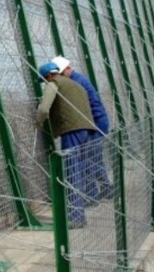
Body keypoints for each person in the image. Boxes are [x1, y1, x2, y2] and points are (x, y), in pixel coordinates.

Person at [36, 62, 95, 229]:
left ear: (47, 76)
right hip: (86, 130)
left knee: (72, 172)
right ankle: (79, 212)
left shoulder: (53, 83)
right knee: (81, 170)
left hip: (71, 131)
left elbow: (44, 109)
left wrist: (38, 122)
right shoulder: (75, 84)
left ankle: (75, 217)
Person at [51, 56, 113, 204]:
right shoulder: (79, 79)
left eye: (59, 73)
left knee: (89, 160)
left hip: (94, 124)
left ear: (66, 69)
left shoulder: (75, 81)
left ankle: (97, 194)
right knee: (91, 159)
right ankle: (101, 192)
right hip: (95, 122)